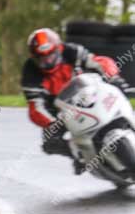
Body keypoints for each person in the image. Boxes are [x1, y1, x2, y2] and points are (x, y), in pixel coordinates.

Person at [21, 28, 128, 172]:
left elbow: (98, 62)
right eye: (41, 58)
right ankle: (79, 155)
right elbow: (35, 108)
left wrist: (113, 77)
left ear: (58, 49)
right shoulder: (30, 72)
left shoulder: (71, 51)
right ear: (34, 57)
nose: (47, 61)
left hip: (88, 92)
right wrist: (52, 122)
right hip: (60, 111)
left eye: (50, 56)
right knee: (49, 142)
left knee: (120, 90)